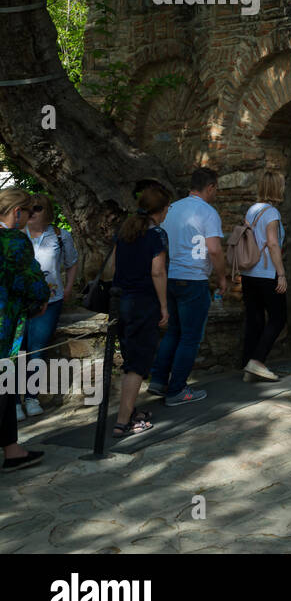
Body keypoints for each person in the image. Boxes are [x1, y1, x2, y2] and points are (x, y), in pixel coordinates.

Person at [152, 168, 227, 407]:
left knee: (173, 332)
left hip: (169, 277)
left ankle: (159, 380)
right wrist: (222, 277)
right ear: (211, 187)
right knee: (190, 337)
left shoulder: (171, 209)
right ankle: (177, 390)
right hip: (194, 279)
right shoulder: (208, 213)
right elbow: (214, 249)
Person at [105, 186, 171, 436]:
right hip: (144, 303)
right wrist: (164, 306)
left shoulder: (125, 232)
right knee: (138, 364)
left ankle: (129, 410)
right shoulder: (157, 235)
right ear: (161, 209)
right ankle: (123, 422)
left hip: (121, 301)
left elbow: (111, 266)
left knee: (131, 358)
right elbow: (158, 271)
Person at [0, 190, 49, 472]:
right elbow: (30, 281)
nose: (31, 217)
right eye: (29, 212)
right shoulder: (14, 240)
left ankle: (13, 450)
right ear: (17, 211)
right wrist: (40, 297)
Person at [18, 193, 78, 418]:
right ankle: (13, 402)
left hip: (50, 301)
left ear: (48, 212)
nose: (32, 212)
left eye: (37, 208)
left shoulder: (60, 236)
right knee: (17, 349)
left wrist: (69, 287)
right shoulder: (16, 235)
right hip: (20, 301)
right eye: (28, 208)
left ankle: (32, 397)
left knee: (37, 349)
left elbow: (71, 262)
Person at [242, 169, 289, 382]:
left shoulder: (252, 210)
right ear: (276, 188)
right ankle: (257, 361)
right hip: (266, 272)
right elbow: (272, 243)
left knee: (256, 318)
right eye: (282, 184)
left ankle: (249, 364)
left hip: (249, 272)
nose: (285, 188)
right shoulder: (272, 213)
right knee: (279, 318)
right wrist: (281, 274)